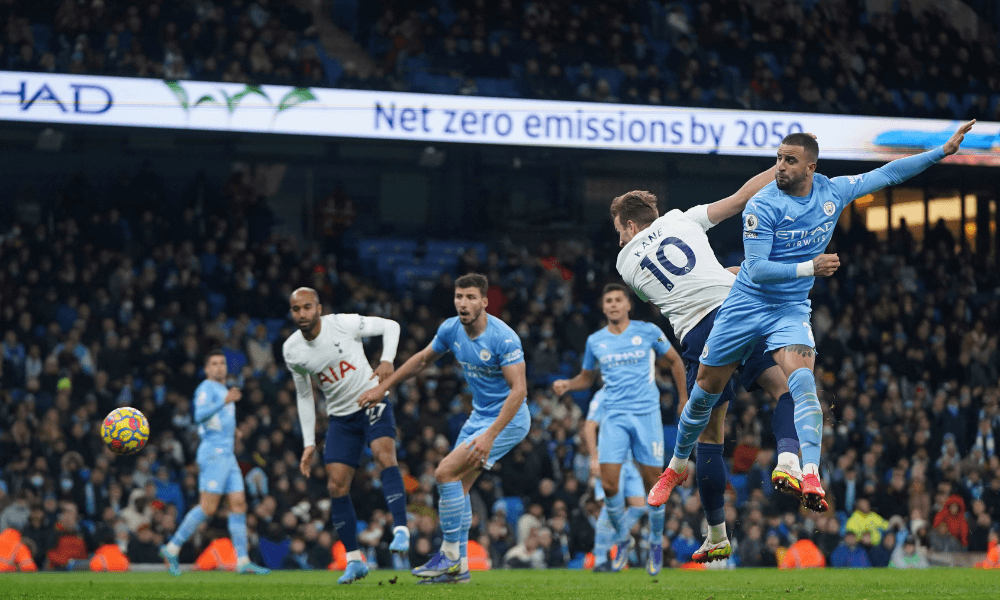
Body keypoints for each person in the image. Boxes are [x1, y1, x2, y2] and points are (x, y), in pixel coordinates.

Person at [648, 120, 977, 513]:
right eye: (778, 159)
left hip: (789, 309)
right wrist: (810, 267)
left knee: (803, 380)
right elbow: (756, 270)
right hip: (745, 305)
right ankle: (674, 467)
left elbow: (888, 173)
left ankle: (810, 473)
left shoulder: (832, 192)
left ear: (810, 168)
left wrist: (942, 151)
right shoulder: (763, 204)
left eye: (789, 160)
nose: (780, 167)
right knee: (704, 394)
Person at [609, 164, 810, 563]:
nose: (619, 238)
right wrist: (778, 168)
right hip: (739, 310)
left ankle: (716, 533)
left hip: (700, 334)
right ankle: (789, 457)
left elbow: (667, 294)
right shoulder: (682, 219)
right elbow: (740, 200)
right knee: (784, 389)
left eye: (619, 230)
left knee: (710, 439)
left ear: (631, 227)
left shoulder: (625, 264)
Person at [358, 273, 529, 585]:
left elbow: (519, 391)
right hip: (479, 416)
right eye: (459, 297)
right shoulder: (451, 329)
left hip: (509, 419)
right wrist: (386, 387)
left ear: (485, 302)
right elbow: (423, 359)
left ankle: (449, 555)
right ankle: (459, 568)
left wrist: (490, 436)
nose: (463, 303)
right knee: (456, 489)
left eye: (471, 297)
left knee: (443, 473)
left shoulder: (503, 338)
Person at [551, 284, 687, 575]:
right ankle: (623, 538)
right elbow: (587, 379)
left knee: (655, 487)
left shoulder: (648, 331)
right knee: (610, 485)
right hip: (614, 417)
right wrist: (568, 384)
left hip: (646, 416)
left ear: (628, 305)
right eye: (608, 300)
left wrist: (683, 398)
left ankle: (654, 543)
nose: (613, 305)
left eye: (618, 300)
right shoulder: (595, 341)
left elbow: (675, 360)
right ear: (603, 307)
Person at [282, 287, 407, 584]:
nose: (302, 314)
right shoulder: (291, 350)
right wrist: (309, 442)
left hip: (371, 400)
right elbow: (304, 395)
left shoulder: (341, 323)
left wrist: (387, 360)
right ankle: (354, 560)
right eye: (296, 309)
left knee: (382, 454)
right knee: (336, 485)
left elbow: (391, 326)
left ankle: (401, 529)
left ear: (319, 308)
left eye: (307, 307)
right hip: (340, 417)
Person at [159, 350, 269, 575]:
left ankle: (242, 560)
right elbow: (198, 415)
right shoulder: (206, 389)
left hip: (228, 455)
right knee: (208, 507)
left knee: (239, 503)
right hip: (213, 454)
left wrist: (234, 430)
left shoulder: (222, 389)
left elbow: (217, 420)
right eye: (214, 364)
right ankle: (172, 547)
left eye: (222, 363)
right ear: (207, 369)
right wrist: (225, 401)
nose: (219, 367)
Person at [579, 387, 649, 573]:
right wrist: (594, 458)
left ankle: (611, 541)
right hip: (609, 458)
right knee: (610, 507)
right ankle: (600, 558)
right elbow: (589, 426)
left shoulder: (632, 394)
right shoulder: (602, 394)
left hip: (627, 460)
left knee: (640, 505)